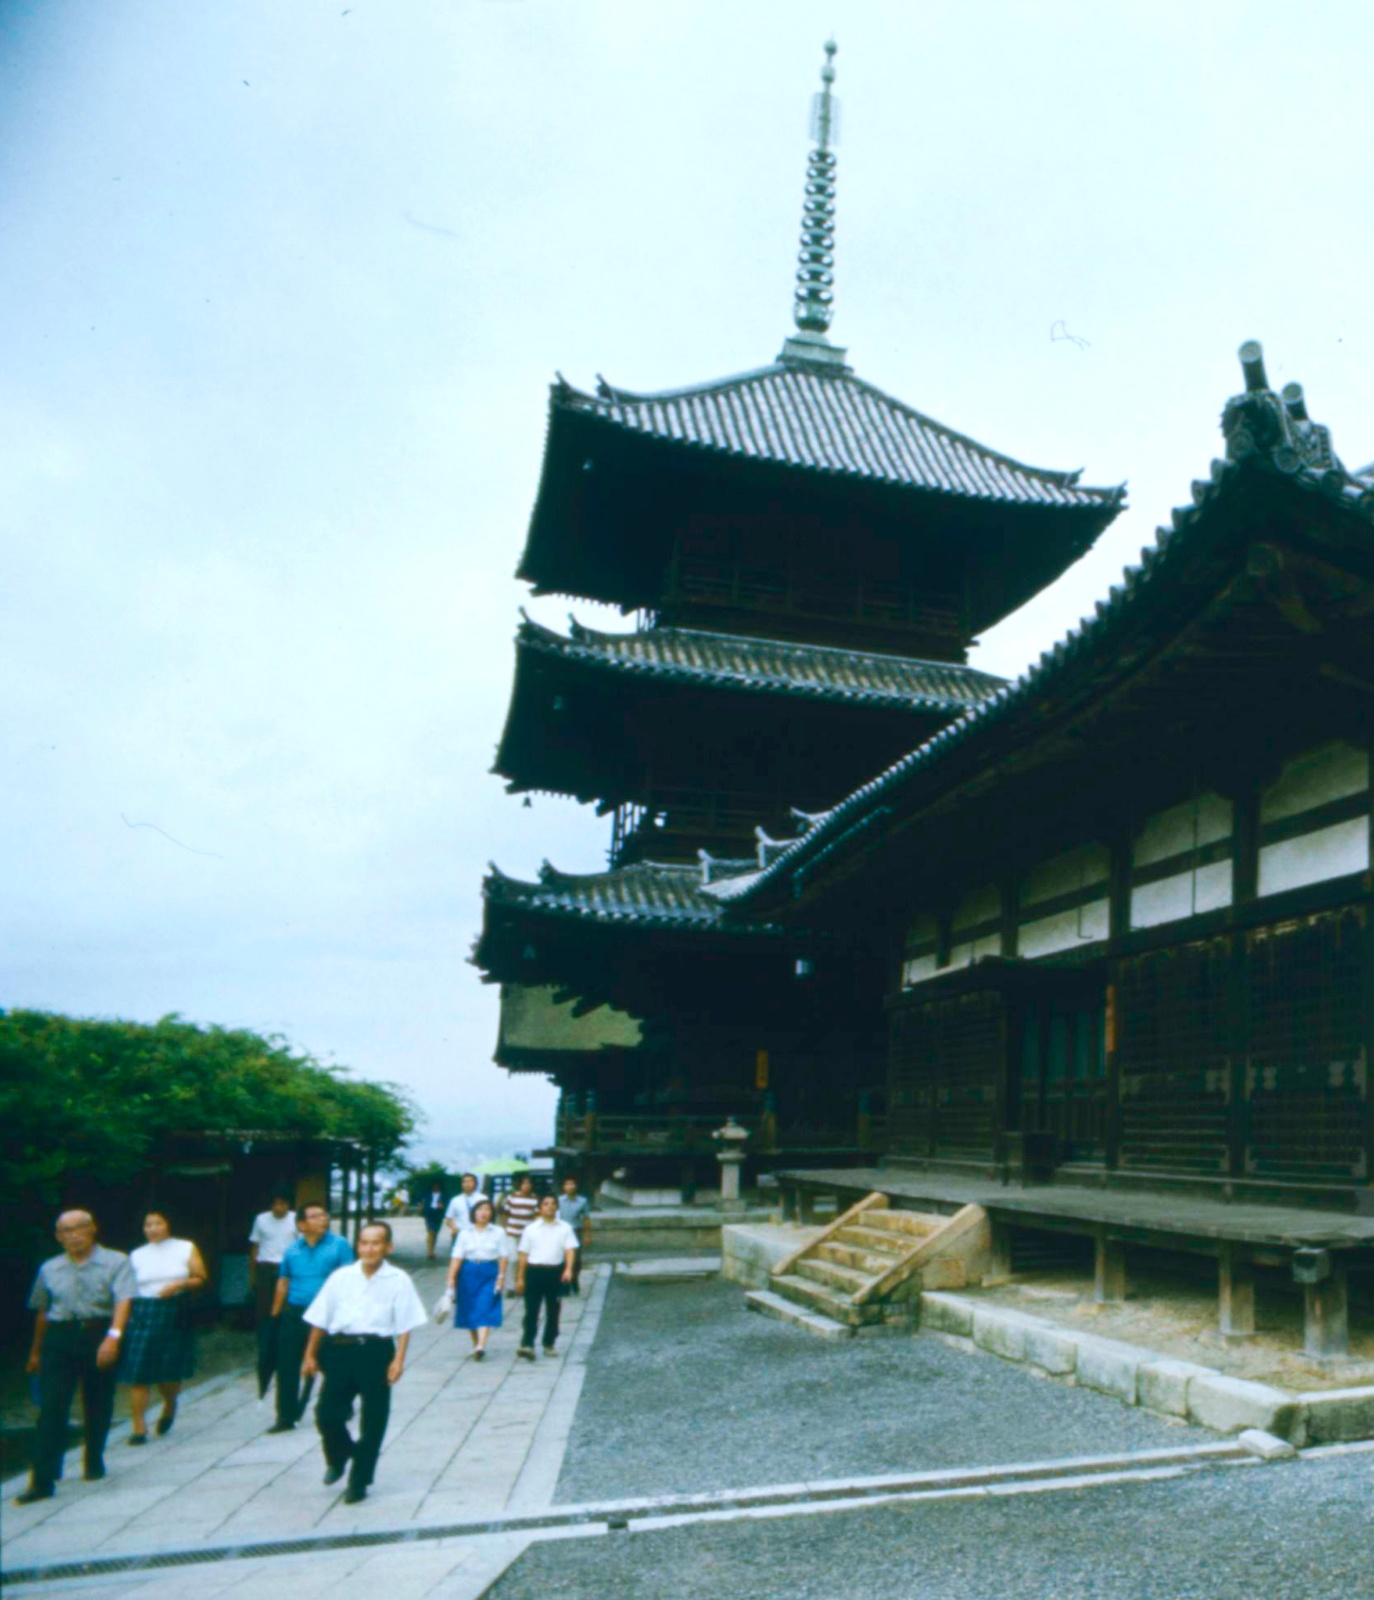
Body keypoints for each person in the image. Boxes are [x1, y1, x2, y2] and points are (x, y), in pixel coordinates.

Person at [301, 1221, 428, 1505]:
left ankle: (359, 1482)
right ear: (357, 1246)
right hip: (340, 1351)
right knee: (327, 1414)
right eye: (364, 1243)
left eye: (376, 1243)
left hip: (376, 1352)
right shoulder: (340, 1277)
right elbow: (320, 1318)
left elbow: (405, 1324)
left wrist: (399, 1360)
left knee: (374, 1420)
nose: (369, 1249)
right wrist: (310, 1354)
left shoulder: (398, 1279)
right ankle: (340, 1453)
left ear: (387, 1247)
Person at [17, 1210, 135, 1504]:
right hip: (60, 1338)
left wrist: (114, 1337)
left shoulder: (116, 1261)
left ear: (92, 1229)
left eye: (78, 1228)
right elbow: (43, 1311)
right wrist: (35, 1352)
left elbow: (123, 1300)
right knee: (51, 1408)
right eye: (64, 1231)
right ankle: (43, 1478)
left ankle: (93, 1457)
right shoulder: (50, 1268)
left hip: (98, 1333)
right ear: (57, 1236)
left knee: (97, 1401)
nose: (72, 1235)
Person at [122, 1209, 207, 1444]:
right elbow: (128, 1288)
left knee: (168, 1370)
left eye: (157, 1223)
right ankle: (138, 1427)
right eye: (148, 1224)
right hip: (142, 1311)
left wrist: (179, 1284)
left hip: (173, 1310)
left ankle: (170, 1403)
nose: (152, 1228)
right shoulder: (137, 1254)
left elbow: (201, 1277)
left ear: (168, 1225)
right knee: (138, 1370)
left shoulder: (185, 1247)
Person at [268, 1202, 352, 1432]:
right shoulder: (292, 1250)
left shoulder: (339, 1245)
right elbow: (283, 1283)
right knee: (287, 1364)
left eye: (323, 1215)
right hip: (296, 1312)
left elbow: (349, 1279)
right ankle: (285, 1415)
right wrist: (275, 1316)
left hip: (328, 1313)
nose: (322, 1220)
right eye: (314, 1216)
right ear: (301, 1225)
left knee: (331, 1362)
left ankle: (342, 1404)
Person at [515, 1194, 576, 1361]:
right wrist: (520, 1278)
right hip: (534, 1272)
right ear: (540, 1208)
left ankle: (549, 1343)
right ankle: (527, 1344)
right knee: (531, 1310)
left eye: (553, 1204)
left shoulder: (565, 1228)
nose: (549, 1207)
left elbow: (569, 1250)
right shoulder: (531, 1229)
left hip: (555, 1272)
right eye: (546, 1204)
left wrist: (568, 1269)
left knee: (553, 1310)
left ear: (557, 1207)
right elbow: (523, 1255)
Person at [248, 1191, 297, 1397]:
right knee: (265, 1309)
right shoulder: (261, 1219)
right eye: (276, 1204)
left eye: (283, 1203)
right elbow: (255, 1246)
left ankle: (285, 1337)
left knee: (286, 1306)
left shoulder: (295, 1219)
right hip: (266, 1266)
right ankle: (266, 1341)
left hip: (287, 1265)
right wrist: (252, 1272)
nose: (280, 1208)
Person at [446, 1198, 508, 1359]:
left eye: (487, 1209)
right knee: (469, 1309)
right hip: (468, 1272)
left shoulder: (498, 1232)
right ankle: (476, 1345)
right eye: (480, 1209)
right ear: (474, 1213)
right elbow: (457, 1256)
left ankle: (481, 1345)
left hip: (489, 1271)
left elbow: (503, 1256)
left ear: (492, 1213)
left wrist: (501, 1276)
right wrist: (451, 1279)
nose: (484, 1213)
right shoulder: (464, 1233)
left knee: (485, 1306)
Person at [499, 1173, 539, 1293]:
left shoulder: (534, 1199)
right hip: (512, 1233)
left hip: (526, 1235)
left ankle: (522, 1285)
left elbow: (536, 1216)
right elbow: (505, 1213)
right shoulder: (512, 1197)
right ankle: (510, 1287)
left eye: (529, 1183)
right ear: (519, 1184)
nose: (527, 1186)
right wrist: (504, 1228)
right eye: (524, 1183)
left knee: (525, 1261)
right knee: (513, 1259)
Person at [556, 1175, 592, 1295]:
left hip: (575, 1231)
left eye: (572, 1184)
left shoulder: (582, 1201)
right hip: (561, 1232)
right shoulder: (559, 1201)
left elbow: (586, 1218)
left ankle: (574, 1279)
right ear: (563, 1187)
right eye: (567, 1184)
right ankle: (564, 1284)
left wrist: (587, 1235)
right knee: (562, 1258)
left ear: (576, 1186)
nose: (570, 1187)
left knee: (576, 1260)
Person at [443, 1173, 488, 1240]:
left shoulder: (483, 1199)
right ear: (461, 1184)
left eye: (470, 1181)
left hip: (480, 1234)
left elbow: (489, 1217)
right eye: (465, 1182)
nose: (467, 1184)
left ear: (475, 1183)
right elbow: (448, 1219)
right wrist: (453, 1228)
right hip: (461, 1234)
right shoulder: (455, 1200)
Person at [420, 1181, 446, 1261]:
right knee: (430, 1231)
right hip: (429, 1214)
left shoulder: (444, 1195)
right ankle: (429, 1251)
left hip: (438, 1214)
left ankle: (432, 1249)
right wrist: (422, 1207)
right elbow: (422, 1202)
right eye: (434, 1186)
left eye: (437, 1186)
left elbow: (447, 1204)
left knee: (435, 1232)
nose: (436, 1188)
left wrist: (443, 1206)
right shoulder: (427, 1194)